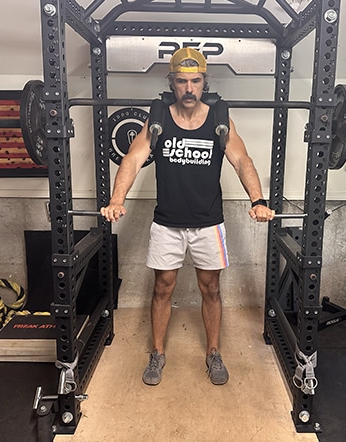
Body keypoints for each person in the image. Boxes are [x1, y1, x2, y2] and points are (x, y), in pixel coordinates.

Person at [101, 47, 275, 386]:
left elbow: (242, 161)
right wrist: (116, 199)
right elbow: (133, 160)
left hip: (208, 223)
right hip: (167, 222)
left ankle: (213, 352)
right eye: (182, 81)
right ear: (172, 83)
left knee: (210, 289)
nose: (189, 88)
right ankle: (157, 353)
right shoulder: (159, 120)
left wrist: (258, 200)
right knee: (163, 287)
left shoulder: (219, 121)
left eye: (196, 81)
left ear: (205, 81)